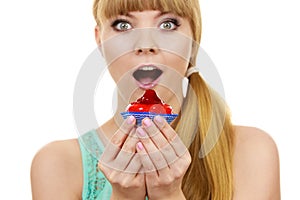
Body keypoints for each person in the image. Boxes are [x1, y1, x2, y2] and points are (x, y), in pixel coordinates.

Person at [30, 0, 280, 199]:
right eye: (123, 25)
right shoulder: (57, 165)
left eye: (168, 24)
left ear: (194, 40)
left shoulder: (252, 153)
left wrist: (168, 195)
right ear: (99, 40)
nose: (145, 44)